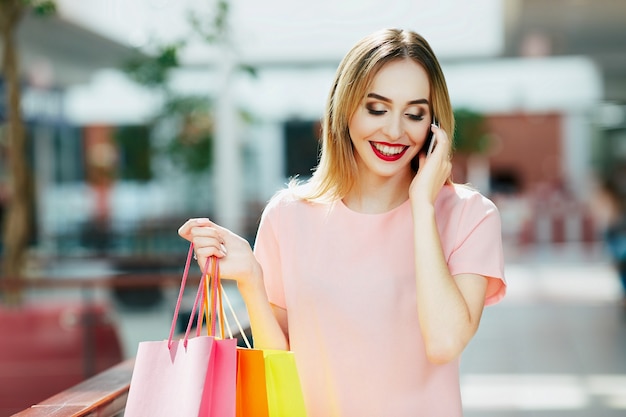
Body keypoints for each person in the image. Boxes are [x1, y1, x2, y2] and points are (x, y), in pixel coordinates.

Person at [178, 28, 506, 417]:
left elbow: (444, 342)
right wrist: (250, 278)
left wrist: (423, 206)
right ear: (345, 107)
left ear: (434, 124)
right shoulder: (288, 215)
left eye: (415, 114)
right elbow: (279, 367)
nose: (395, 131)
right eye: (377, 108)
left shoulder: (471, 215)